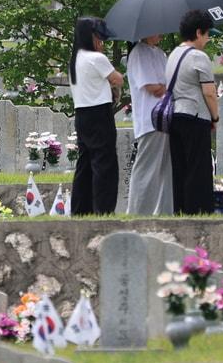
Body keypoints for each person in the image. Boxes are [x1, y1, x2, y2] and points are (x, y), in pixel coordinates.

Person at [165, 10, 219, 215]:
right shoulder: (198, 56)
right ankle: (198, 212)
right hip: (195, 117)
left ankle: (180, 210)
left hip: (175, 116)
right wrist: (215, 117)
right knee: (199, 169)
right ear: (198, 32)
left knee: (180, 167)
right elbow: (209, 92)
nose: (207, 39)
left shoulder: (173, 54)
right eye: (207, 34)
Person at [69, 17, 123, 215]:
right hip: (99, 113)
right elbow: (118, 78)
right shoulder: (96, 58)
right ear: (90, 36)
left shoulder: (75, 59)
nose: (100, 41)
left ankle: (81, 209)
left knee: (85, 164)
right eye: (97, 36)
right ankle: (103, 208)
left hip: (82, 114)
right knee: (104, 163)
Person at [125, 34, 171, 215]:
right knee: (147, 169)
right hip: (150, 119)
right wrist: (174, 88)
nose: (160, 33)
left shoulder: (160, 53)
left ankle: (165, 211)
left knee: (166, 169)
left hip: (166, 117)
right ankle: (139, 212)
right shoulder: (138, 53)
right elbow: (153, 88)